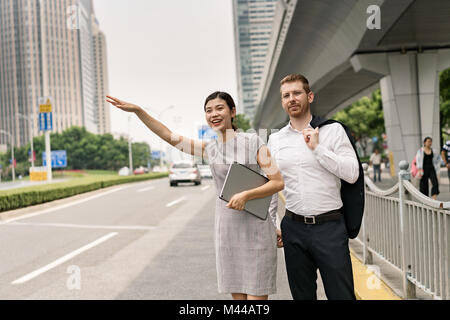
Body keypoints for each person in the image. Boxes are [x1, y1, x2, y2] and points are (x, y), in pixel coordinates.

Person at [106, 92, 284, 300]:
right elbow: (168, 136)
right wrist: (139, 111)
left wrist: (246, 195)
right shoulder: (209, 148)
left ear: (232, 112)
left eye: (219, 108)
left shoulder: (254, 142)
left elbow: (277, 182)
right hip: (228, 229)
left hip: (256, 230)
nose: (214, 114)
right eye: (209, 110)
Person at [268, 74, 359, 300]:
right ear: (282, 102)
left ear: (309, 96)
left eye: (297, 93)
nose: (292, 99)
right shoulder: (275, 140)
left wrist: (318, 149)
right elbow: (270, 185)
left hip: (329, 227)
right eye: (286, 95)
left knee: (342, 295)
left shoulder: (333, 130)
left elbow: (352, 173)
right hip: (293, 227)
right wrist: (273, 225)